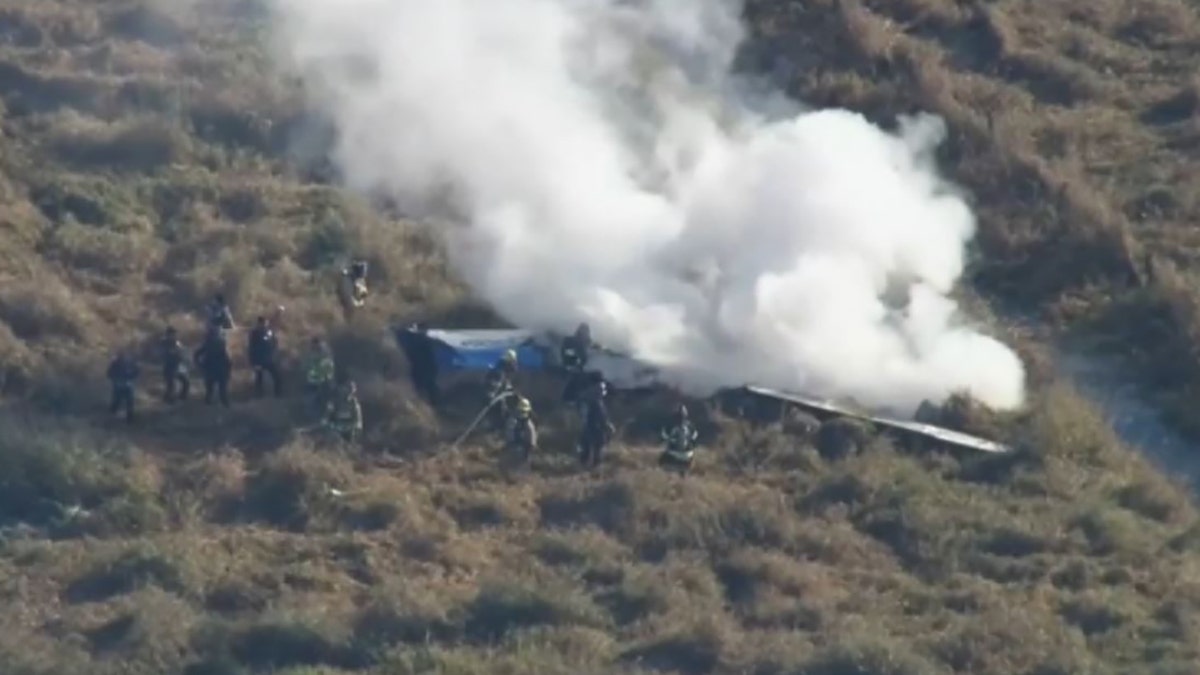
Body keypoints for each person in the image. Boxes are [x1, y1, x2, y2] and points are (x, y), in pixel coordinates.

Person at [396, 322, 439, 408]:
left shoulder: (415, 339)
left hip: (421, 368)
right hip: (420, 368)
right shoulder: (421, 340)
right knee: (426, 387)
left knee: (425, 387)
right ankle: (430, 404)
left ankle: (431, 404)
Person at [578, 379, 615, 469]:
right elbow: (601, 417)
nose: (603, 392)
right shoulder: (596, 402)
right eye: (602, 390)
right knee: (597, 447)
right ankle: (594, 466)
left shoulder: (585, 400)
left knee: (586, 447)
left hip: (587, 428)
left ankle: (584, 464)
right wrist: (608, 426)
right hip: (596, 428)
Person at [193, 326, 232, 407]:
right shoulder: (215, 343)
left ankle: (216, 405)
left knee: (213, 390)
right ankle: (223, 405)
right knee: (217, 390)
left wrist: (199, 364)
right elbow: (226, 357)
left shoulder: (212, 343)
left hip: (213, 368)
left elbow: (197, 354)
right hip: (215, 368)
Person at [247, 316, 282, 398]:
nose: (265, 325)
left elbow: (274, 343)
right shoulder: (255, 333)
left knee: (277, 376)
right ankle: (259, 396)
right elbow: (251, 348)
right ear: (259, 323)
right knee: (259, 379)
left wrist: (275, 353)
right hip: (259, 359)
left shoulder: (269, 332)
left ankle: (278, 394)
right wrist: (253, 362)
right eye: (263, 324)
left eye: (266, 323)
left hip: (269, 359)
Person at [659, 404, 700, 475]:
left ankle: (669, 473)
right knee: (689, 458)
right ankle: (683, 472)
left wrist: (670, 440)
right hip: (688, 454)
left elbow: (664, 435)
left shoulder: (671, 425)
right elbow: (695, 436)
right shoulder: (690, 425)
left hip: (674, 453)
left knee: (661, 461)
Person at [484, 349, 518, 431]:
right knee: (498, 410)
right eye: (512, 362)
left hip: (501, 392)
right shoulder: (499, 371)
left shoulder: (507, 369)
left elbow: (507, 380)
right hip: (495, 394)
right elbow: (495, 383)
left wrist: (509, 388)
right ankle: (496, 427)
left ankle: (500, 427)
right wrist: (491, 395)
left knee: (505, 408)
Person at [560, 323, 592, 408]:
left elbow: (588, 351)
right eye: (583, 330)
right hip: (571, 366)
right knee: (575, 379)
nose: (585, 333)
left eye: (586, 331)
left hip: (579, 367)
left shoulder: (587, 341)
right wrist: (573, 364)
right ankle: (569, 399)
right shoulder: (571, 341)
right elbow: (567, 353)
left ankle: (574, 400)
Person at [303, 337, 336, 412]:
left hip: (324, 380)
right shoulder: (314, 352)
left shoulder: (324, 352)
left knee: (325, 399)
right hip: (317, 381)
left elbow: (326, 367)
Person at [106, 350, 139, 423]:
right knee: (118, 400)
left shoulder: (130, 362)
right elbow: (109, 373)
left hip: (126, 383)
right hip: (120, 383)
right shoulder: (115, 363)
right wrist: (115, 379)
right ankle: (113, 414)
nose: (124, 357)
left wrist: (131, 376)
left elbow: (137, 371)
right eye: (122, 355)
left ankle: (129, 417)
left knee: (129, 401)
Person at [159, 326, 190, 403]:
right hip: (169, 366)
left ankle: (182, 397)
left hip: (179, 365)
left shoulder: (177, 342)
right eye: (172, 334)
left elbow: (182, 351)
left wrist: (182, 355)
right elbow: (163, 353)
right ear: (168, 334)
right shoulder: (164, 342)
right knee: (171, 385)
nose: (174, 336)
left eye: (175, 334)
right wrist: (173, 353)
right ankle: (169, 399)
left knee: (186, 381)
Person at [505, 396, 538, 462]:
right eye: (521, 411)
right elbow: (510, 432)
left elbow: (532, 434)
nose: (522, 413)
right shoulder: (513, 421)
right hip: (515, 444)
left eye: (524, 411)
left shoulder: (529, 423)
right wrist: (511, 443)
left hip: (525, 446)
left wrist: (531, 445)